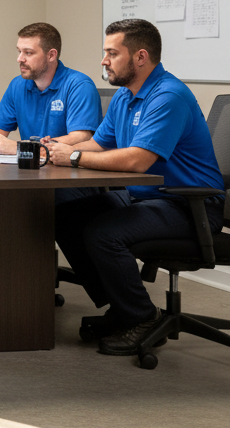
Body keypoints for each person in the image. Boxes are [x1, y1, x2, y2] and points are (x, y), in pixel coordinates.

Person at [47, 20, 224, 356]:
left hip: (190, 205)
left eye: (112, 53)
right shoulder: (125, 97)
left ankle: (142, 317)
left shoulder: (168, 96)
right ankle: (121, 307)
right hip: (149, 198)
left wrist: (73, 157)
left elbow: (137, 162)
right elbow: (100, 144)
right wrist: (56, 151)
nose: (103, 60)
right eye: (105, 53)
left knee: (104, 232)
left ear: (140, 57)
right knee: (65, 212)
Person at [0, 21, 101, 157]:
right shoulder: (18, 85)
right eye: (19, 51)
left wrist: (20, 148)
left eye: (28, 53)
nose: (20, 59)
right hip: (30, 170)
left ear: (51, 55)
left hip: (68, 172)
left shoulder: (79, 85)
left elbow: (81, 138)